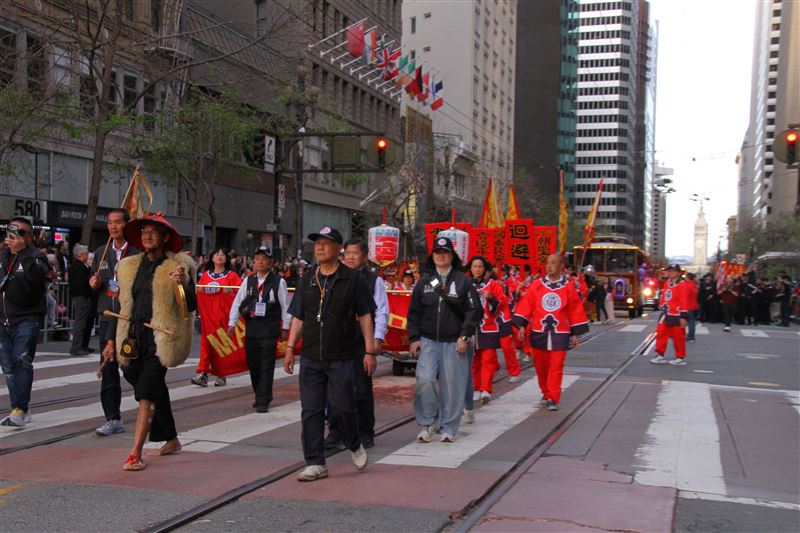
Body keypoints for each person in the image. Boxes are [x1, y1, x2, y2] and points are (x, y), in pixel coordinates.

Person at [104, 213, 196, 471]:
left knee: (145, 393)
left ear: (165, 237)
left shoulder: (178, 266)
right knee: (145, 382)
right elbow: (120, 304)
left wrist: (181, 284)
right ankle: (172, 439)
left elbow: (189, 305)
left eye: (154, 232)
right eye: (144, 231)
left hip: (161, 337)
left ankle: (135, 453)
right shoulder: (129, 265)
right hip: (132, 337)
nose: (147, 235)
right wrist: (111, 340)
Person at [284, 227, 376, 482]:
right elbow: (299, 316)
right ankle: (315, 462)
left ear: (339, 250)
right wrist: (291, 348)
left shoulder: (353, 279)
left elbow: (366, 315)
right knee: (311, 410)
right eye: (317, 244)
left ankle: (354, 442)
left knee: (343, 406)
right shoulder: (307, 279)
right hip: (312, 356)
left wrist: (369, 350)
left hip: (343, 356)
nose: (320, 248)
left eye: (326, 244)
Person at [407, 237, 483, 443]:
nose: (441, 255)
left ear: (452, 256)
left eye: (446, 252)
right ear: (432, 256)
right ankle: (427, 423)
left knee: (452, 385)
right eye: (437, 252)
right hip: (428, 340)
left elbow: (474, 311)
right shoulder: (424, 282)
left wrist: (464, 336)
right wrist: (414, 338)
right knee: (426, 380)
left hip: (454, 341)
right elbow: (413, 313)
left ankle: (448, 426)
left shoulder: (463, 281)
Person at [324, 240, 387, 450]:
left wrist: (377, 337)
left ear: (365, 256)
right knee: (334, 388)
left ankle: (365, 431)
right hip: (337, 340)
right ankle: (336, 431)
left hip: (361, 341)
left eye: (355, 253)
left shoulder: (372, 280)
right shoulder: (333, 275)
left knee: (361, 389)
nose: (350, 257)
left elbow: (380, 311)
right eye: (347, 253)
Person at [513, 254, 589, 411]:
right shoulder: (537, 285)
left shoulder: (568, 287)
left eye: (553, 263)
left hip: (560, 332)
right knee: (540, 366)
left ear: (561, 267)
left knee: (556, 366)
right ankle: (545, 390)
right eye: (547, 263)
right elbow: (527, 305)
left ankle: (552, 397)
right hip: (539, 330)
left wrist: (575, 333)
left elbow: (575, 310)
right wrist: (521, 325)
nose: (549, 266)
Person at [90, 208, 139, 436]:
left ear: (126, 225)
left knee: (131, 367)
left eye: (118, 222)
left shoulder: (136, 252)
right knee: (108, 368)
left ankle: (149, 400)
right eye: (110, 222)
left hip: (129, 319)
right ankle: (112, 417)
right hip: (107, 317)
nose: (113, 226)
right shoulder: (101, 253)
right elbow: (97, 286)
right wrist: (94, 283)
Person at [0, 216, 50, 428]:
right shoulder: (2, 255)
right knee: (8, 365)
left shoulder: (36, 256)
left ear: (29, 237)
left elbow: (36, 279)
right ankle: (20, 408)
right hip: (3, 319)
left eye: (21, 233)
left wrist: (22, 253)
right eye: (12, 231)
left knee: (22, 359)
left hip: (27, 318)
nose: (15, 236)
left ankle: (19, 408)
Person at [227, 246, 290, 412]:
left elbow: (285, 307)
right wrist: (231, 324)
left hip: (270, 328)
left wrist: (285, 328)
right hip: (252, 329)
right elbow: (237, 302)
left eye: (264, 259)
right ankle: (259, 393)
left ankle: (264, 399)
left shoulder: (279, 282)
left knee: (267, 365)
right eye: (258, 259)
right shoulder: (248, 280)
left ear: (270, 263)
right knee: (253, 364)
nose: (260, 262)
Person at [192, 248, 243, 387]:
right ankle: (203, 373)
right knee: (206, 343)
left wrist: (230, 292)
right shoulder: (206, 275)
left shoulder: (231, 275)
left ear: (226, 259)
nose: (219, 257)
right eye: (216, 254)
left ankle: (222, 373)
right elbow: (199, 293)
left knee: (221, 345)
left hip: (224, 317)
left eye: (222, 254)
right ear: (212, 258)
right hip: (208, 317)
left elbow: (240, 295)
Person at [467, 256, 506, 404]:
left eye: (480, 267)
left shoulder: (493, 285)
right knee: (474, 361)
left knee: (488, 359)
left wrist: (490, 297)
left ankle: (486, 389)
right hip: (471, 328)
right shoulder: (465, 285)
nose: (477, 269)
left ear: (485, 270)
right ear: (470, 269)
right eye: (474, 266)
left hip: (488, 327)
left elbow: (502, 303)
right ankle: (476, 388)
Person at [650, 264, 689, 365]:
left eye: (673, 271)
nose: (670, 273)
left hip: (677, 313)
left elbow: (684, 300)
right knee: (661, 333)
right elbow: (664, 295)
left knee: (678, 336)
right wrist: (661, 304)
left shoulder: (682, 284)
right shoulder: (667, 283)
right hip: (666, 312)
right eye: (669, 271)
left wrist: (683, 316)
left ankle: (680, 357)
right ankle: (660, 355)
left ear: (678, 273)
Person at [68, 244, 93, 356]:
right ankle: (76, 347)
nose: (87, 255)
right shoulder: (79, 267)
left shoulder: (77, 266)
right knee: (80, 322)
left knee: (83, 322)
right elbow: (81, 284)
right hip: (82, 297)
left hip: (80, 296)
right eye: (86, 253)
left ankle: (82, 345)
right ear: (81, 254)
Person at [685, 273, 699, 342]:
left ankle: (690, 337)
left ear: (688, 277)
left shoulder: (687, 285)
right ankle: (692, 336)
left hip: (688, 305)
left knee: (689, 322)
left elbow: (685, 296)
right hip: (694, 305)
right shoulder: (694, 285)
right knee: (692, 322)